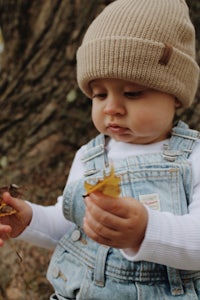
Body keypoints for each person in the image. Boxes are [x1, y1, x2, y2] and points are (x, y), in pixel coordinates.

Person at [0, 0, 200, 298]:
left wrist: (146, 231)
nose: (112, 108)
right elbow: (70, 227)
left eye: (132, 93)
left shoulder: (192, 156)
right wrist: (27, 219)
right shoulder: (89, 157)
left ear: (175, 95)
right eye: (99, 94)